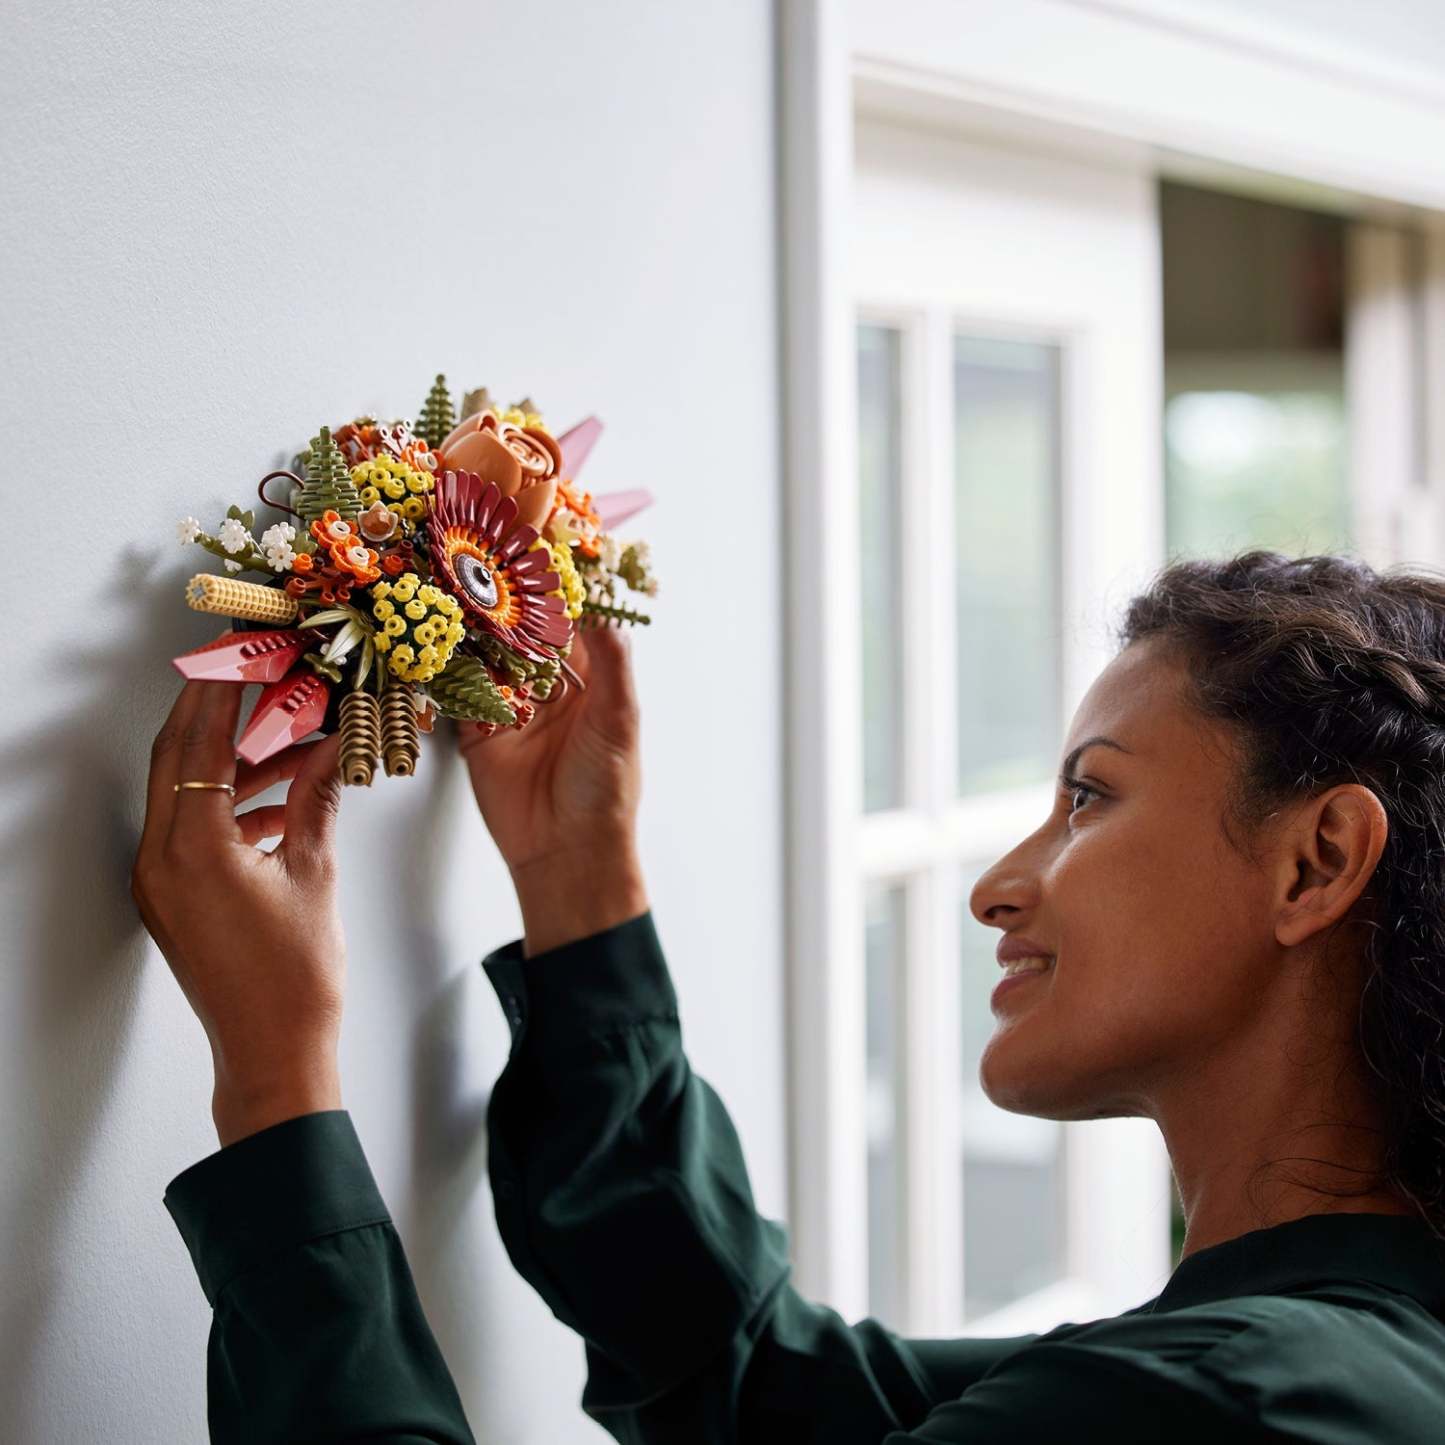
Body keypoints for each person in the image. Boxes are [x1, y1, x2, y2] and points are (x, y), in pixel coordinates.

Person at [134, 550, 1445, 1444]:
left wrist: (276, 1077)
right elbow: (758, 1391)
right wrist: (575, 874)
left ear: (1316, 861)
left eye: (1088, 795)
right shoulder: (1336, 1355)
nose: (996, 887)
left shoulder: (1212, 1401)